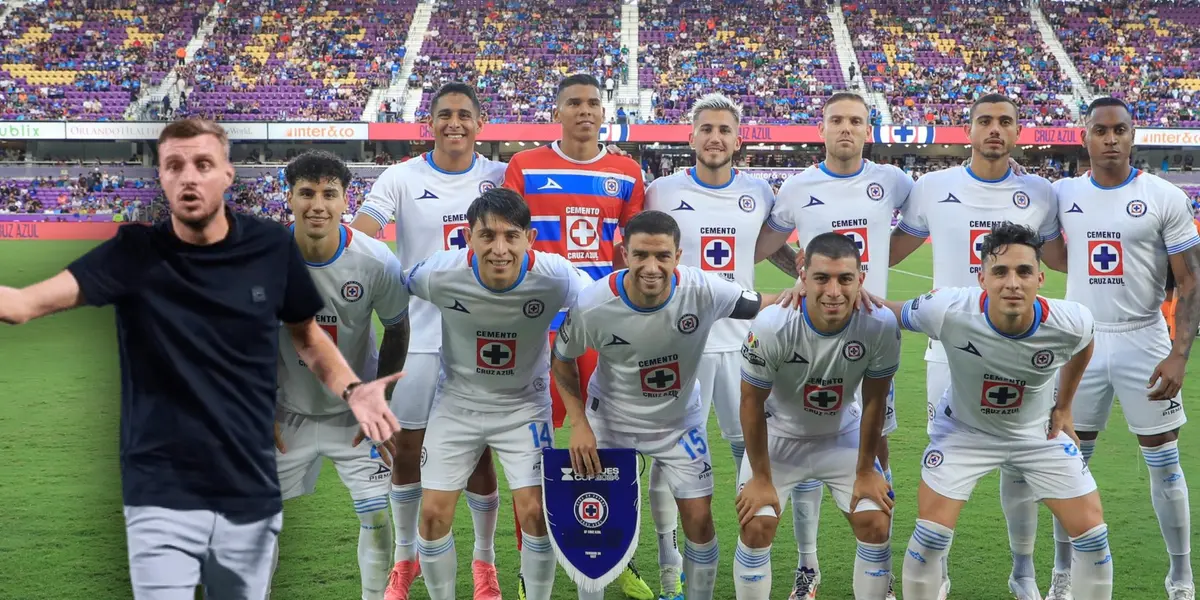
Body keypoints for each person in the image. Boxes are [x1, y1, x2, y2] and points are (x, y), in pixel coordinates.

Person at [0, 118, 401, 600]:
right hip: (243, 436)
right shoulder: (141, 253)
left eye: (203, 164)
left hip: (337, 422)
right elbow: (23, 305)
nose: (317, 204)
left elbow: (313, 337)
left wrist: (368, 395)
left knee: (374, 517)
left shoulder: (307, 254)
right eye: (175, 165)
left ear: (227, 174)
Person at [887, 93, 1064, 600]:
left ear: (1018, 131)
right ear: (967, 129)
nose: (994, 129)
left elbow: (1062, 261)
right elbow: (887, 251)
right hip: (949, 347)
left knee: (1023, 462)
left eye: (1004, 121)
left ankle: (1023, 574)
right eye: (984, 121)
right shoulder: (932, 187)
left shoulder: (1041, 194)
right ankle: (933, 576)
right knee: (943, 459)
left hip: (1020, 348)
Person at [552, 210, 777, 600]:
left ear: (678, 255)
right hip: (610, 422)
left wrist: (815, 291)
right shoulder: (593, 304)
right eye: (640, 255)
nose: (651, 267)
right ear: (624, 254)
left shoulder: (704, 289)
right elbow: (561, 359)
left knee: (699, 521)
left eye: (662, 256)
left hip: (679, 425)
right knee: (596, 528)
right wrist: (579, 424)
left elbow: (765, 303)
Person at [881, 222, 1113, 600]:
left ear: (1040, 277)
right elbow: (892, 312)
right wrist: (838, 294)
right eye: (1000, 271)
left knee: (1093, 539)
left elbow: (1084, 344)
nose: (1013, 282)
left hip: (1037, 435)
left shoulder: (1071, 321)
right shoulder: (948, 309)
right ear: (981, 278)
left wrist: (1065, 406)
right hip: (963, 433)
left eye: (1023, 271)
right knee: (929, 540)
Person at [753, 90, 913, 600]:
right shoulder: (799, 186)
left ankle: (879, 574)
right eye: (836, 120)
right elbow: (765, 244)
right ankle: (808, 566)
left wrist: (871, 276)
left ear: (870, 131)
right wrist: (802, 276)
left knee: (875, 452)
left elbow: (925, 218)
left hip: (870, 332)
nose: (846, 128)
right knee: (802, 437)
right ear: (821, 128)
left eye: (856, 121)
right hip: (808, 330)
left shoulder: (893, 180)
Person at [351, 82, 507, 600]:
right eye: (444, 115)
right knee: (407, 449)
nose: (454, 123)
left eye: (465, 115)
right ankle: (405, 560)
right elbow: (364, 231)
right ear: (430, 123)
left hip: (482, 335)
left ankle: (485, 566)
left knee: (479, 454)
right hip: (417, 335)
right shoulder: (401, 176)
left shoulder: (502, 178)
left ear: (480, 123)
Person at [1043, 97, 1200, 600]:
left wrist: (1179, 353)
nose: (1111, 139)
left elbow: (1191, 282)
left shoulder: (1163, 196)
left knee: (1164, 460)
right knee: (1067, 460)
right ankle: (1062, 575)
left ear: (1134, 136)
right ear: (1083, 136)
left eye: (1120, 130)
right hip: (1081, 339)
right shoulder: (1062, 193)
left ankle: (1180, 577)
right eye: (1100, 130)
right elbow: (1057, 256)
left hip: (1143, 335)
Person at [403, 187, 594, 600]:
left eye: (511, 236)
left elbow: (606, 303)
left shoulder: (557, 277)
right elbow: (389, 288)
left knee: (535, 514)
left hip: (524, 407)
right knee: (433, 515)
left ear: (530, 238)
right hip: (457, 404)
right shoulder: (438, 273)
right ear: (468, 238)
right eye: (487, 236)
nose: (500, 248)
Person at [503, 72, 651, 600]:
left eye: (592, 102)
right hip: (539, 327)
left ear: (603, 111)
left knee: (612, 440)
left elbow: (633, 256)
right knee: (535, 447)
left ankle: (616, 556)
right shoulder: (524, 166)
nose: (584, 111)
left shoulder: (627, 171)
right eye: (574, 103)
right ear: (558, 110)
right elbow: (509, 242)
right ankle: (530, 566)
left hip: (603, 330)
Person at [641, 92, 784, 600]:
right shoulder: (659, 191)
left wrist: (806, 279)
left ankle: (752, 564)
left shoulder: (760, 192)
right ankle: (667, 563)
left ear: (738, 140)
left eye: (725, 130)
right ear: (691, 136)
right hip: (678, 347)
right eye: (706, 129)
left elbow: (775, 248)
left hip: (742, 345)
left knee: (752, 452)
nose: (715, 138)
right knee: (668, 455)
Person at [271, 150, 411, 600]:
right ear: (288, 197)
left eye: (329, 194)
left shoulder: (375, 261)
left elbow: (397, 327)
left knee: (376, 517)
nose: (317, 204)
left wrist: (379, 401)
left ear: (344, 199)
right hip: (285, 415)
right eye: (306, 193)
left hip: (353, 418)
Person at [733, 232, 900, 600]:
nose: (834, 292)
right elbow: (751, 403)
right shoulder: (772, 325)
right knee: (756, 524)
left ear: (861, 280)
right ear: (803, 277)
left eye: (845, 279)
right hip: (779, 438)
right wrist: (761, 476)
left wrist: (864, 470)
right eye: (822, 278)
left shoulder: (880, 324)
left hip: (841, 434)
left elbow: (874, 401)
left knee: (875, 521)